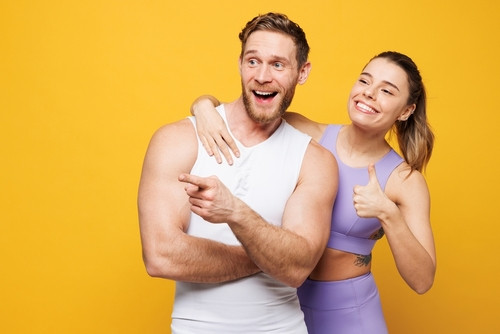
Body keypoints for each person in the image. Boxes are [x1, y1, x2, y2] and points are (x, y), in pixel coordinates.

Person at [190, 50, 437, 334]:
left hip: (350, 316)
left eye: (386, 91)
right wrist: (203, 107)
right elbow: (234, 112)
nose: (369, 94)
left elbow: (422, 280)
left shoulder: (405, 180)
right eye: (364, 81)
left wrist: (388, 213)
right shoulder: (302, 132)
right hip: (277, 307)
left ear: (406, 110)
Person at [138, 12, 338, 334]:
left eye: (278, 64)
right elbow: (161, 256)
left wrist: (236, 212)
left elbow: (298, 268)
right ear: (240, 63)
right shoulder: (178, 140)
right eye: (253, 61)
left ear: (302, 72)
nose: (262, 76)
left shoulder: (314, 161)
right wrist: (268, 257)